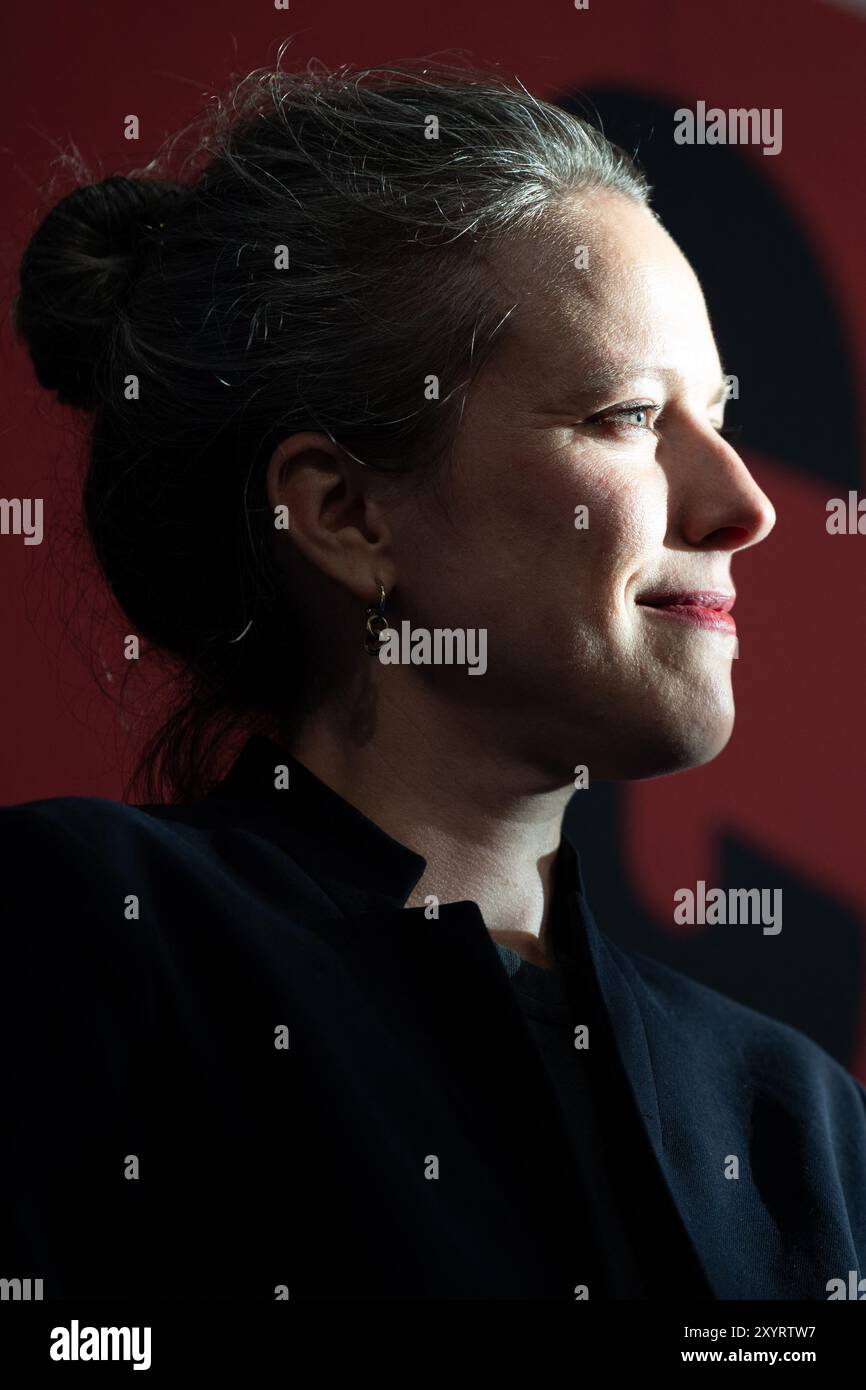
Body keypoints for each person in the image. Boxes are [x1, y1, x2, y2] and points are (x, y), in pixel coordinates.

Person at [3, 59, 864, 1302]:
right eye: (626, 415)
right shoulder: (82, 941)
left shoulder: (797, 1122)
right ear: (347, 513)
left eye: (718, 412)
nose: (740, 506)